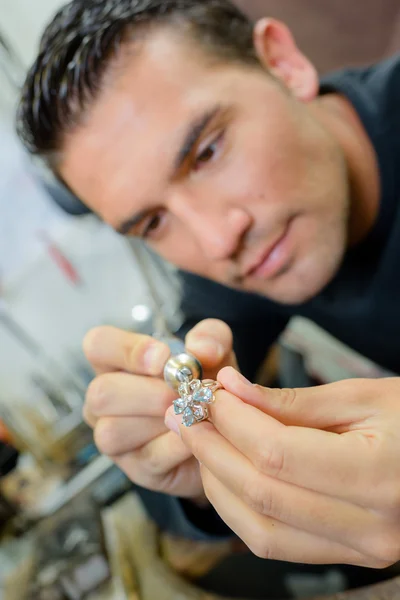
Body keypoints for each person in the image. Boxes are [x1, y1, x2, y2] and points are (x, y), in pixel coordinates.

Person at [16, 0, 400, 596]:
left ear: (283, 63)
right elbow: (175, 419)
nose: (219, 241)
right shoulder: (235, 269)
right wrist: (181, 471)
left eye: (208, 153)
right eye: (152, 223)